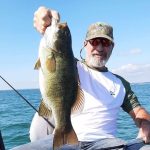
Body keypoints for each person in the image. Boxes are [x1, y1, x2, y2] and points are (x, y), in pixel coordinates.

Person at [30, 6, 150, 150]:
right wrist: (46, 17)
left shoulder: (120, 83)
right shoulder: (72, 66)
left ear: (112, 46)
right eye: (94, 41)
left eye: (105, 43)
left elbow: (137, 110)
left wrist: (146, 123)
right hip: (69, 141)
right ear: (85, 44)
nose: (99, 48)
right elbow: (57, 52)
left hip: (106, 144)